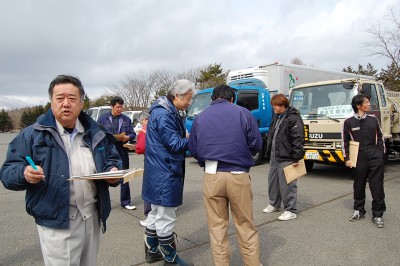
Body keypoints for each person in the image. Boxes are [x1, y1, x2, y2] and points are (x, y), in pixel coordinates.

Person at [0, 75, 121, 265]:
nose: (66, 104)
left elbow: (112, 157)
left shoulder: (95, 131)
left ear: (81, 102)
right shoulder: (32, 134)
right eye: (59, 98)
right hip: (57, 222)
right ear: (51, 102)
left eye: (72, 98)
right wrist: (23, 173)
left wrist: (113, 171)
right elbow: (7, 172)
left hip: (92, 217)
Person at [189, 84, 263, 266]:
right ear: (232, 98)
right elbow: (257, 144)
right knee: (245, 225)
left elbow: (193, 148)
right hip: (238, 173)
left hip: (212, 174)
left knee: (217, 227)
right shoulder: (243, 113)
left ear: (212, 98)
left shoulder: (201, 116)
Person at [142, 79, 195, 265]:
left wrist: (183, 137)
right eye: (188, 98)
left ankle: (152, 252)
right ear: (177, 96)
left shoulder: (161, 110)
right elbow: (174, 144)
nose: (189, 102)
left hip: (157, 170)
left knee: (155, 213)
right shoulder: (165, 115)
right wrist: (194, 139)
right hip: (166, 171)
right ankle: (170, 260)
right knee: (166, 215)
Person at [342, 94, 386, 228]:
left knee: (377, 186)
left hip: (374, 156)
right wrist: (347, 159)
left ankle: (378, 215)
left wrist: (380, 154)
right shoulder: (348, 122)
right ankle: (358, 210)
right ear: (358, 105)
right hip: (358, 157)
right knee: (359, 185)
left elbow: (380, 138)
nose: (369, 104)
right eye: (366, 102)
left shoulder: (373, 120)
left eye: (368, 102)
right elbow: (344, 142)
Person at [263, 93, 305, 221]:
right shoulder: (277, 117)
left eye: (275, 105)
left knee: (288, 184)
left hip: (287, 157)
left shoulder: (293, 118)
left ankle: (291, 210)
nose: (273, 108)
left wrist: (296, 158)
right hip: (275, 156)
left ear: (283, 105)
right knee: (273, 182)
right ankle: (274, 204)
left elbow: (298, 138)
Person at [98, 96, 137, 210]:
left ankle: (126, 202)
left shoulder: (126, 119)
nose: (120, 109)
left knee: (125, 176)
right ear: (112, 106)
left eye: (121, 107)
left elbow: (133, 134)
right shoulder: (102, 118)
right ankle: (101, 202)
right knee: (104, 175)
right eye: (118, 107)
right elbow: (96, 132)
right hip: (106, 151)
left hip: (122, 150)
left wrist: (127, 137)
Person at [135, 111, 151, 227]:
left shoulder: (144, 131)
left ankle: (149, 216)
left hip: (150, 161)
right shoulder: (158, 128)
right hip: (162, 162)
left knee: (149, 188)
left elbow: (140, 148)